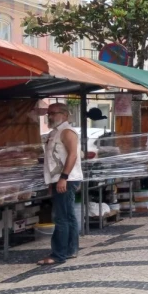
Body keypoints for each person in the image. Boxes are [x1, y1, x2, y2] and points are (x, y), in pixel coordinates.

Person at [39, 103, 84, 265]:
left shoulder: (67, 132)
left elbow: (73, 155)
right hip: (60, 179)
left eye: (53, 113)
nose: (50, 116)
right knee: (68, 215)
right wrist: (52, 181)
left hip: (66, 179)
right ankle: (70, 249)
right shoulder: (55, 133)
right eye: (49, 114)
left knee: (61, 217)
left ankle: (58, 254)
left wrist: (63, 177)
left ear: (65, 115)